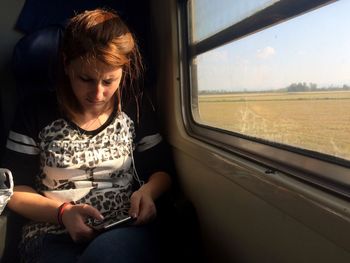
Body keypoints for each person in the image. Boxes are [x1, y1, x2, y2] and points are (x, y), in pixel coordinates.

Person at [2, 8, 173, 263]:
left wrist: (147, 192)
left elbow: (162, 171)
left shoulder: (135, 107)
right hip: (50, 231)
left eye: (109, 81)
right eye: (86, 79)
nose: (98, 93)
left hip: (121, 227)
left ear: (123, 72)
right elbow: (14, 190)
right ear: (66, 64)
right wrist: (63, 213)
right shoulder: (34, 111)